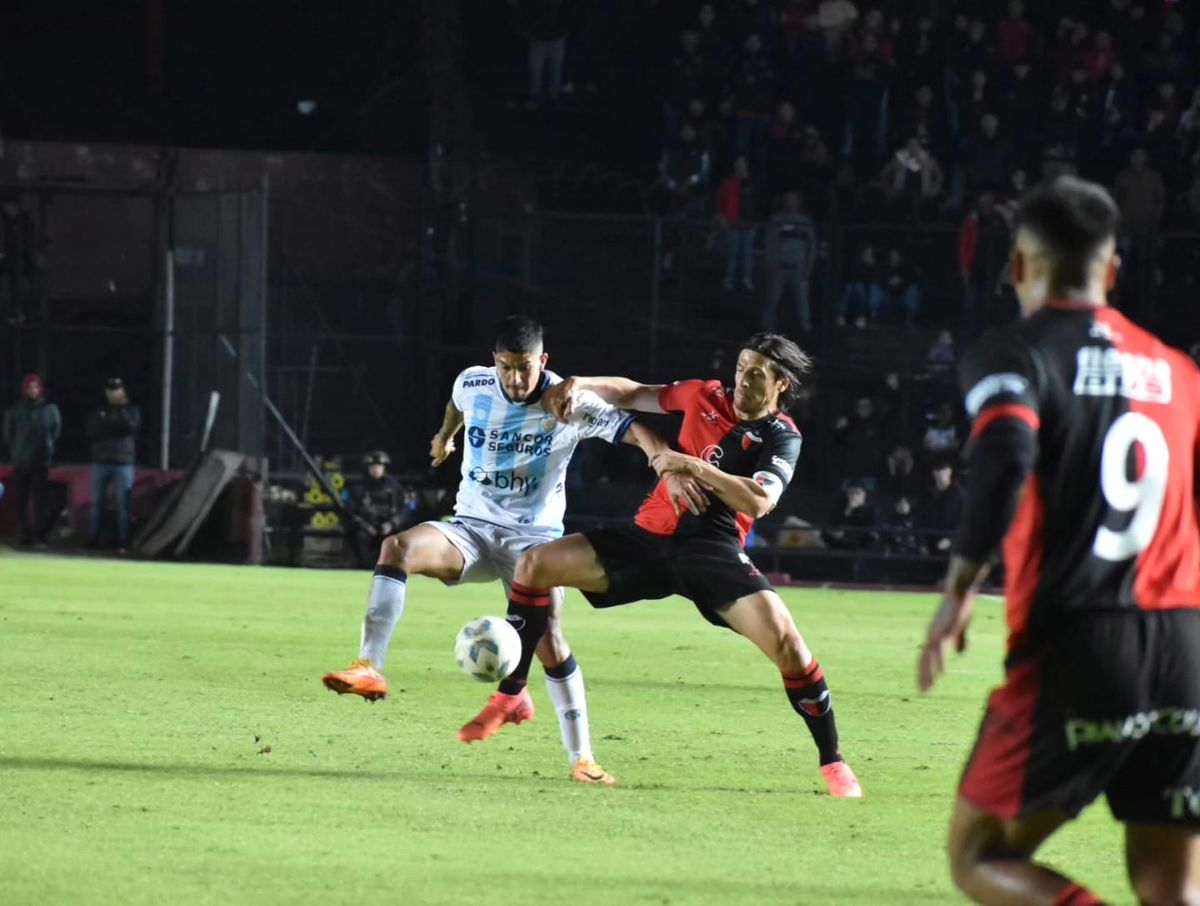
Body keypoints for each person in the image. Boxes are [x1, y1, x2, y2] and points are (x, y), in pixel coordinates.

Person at [917, 176, 1200, 905]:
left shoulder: (1013, 353)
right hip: (1187, 646)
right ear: (1111, 271)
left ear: (1016, 265)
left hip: (1084, 643)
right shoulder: (1180, 371)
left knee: (979, 854)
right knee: (1171, 884)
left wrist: (957, 591)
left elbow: (1007, 453)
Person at [458, 332, 863, 798]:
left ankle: (833, 762)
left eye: (756, 373)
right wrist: (579, 382)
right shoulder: (703, 395)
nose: (741, 379)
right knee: (534, 565)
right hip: (648, 539)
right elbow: (632, 392)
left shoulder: (780, 435)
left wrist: (688, 466)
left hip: (713, 551)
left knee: (790, 646)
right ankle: (512, 693)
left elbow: (759, 498)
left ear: (780, 386)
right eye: (741, 366)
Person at [322, 316, 686, 785]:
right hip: (471, 529)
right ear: (495, 361)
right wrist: (445, 435)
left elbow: (633, 428)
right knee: (397, 548)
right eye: (507, 367)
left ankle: (584, 758)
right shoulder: (473, 381)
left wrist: (661, 459)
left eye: (526, 368)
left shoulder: (567, 402)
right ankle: (370, 667)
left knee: (551, 639)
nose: (516, 379)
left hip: (533, 542)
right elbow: (456, 404)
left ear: (544, 362)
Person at [1, 373, 61, 547]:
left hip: (41, 462)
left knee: (40, 502)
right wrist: (17, 450)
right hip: (20, 462)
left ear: (40, 389)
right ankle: (24, 536)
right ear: (24, 389)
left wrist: (47, 449)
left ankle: (40, 537)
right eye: (29, 387)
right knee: (21, 501)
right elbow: (7, 435)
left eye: (35, 387)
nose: (32, 390)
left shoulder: (50, 409)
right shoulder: (15, 410)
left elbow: (55, 432)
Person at [87, 377, 141, 552]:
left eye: (117, 389)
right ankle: (94, 539)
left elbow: (130, 427)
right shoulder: (99, 411)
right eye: (111, 390)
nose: (114, 393)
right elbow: (93, 431)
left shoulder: (131, 410)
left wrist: (121, 411)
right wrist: (115, 427)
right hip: (100, 461)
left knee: (123, 504)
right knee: (97, 504)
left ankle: (124, 541)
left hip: (123, 462)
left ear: (122, 391)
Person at [350, 450, 418, 568]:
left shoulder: (395, 487)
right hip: (367, 527)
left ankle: (396, 565)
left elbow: (404, 510)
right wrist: (366, 526)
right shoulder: (359, 487)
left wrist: (392, 523)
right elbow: (352, 511)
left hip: (390, 526)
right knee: (358, 536)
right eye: (372, 466)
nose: (375, 469)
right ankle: (364, 566)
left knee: (401, 537)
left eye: (379, 466)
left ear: (384, 467)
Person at [762, 191, 816, 334]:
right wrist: (771, 264)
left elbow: (811, 246)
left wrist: (808, 268)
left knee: (802, 302)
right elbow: (769, 244)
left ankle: (806, 329)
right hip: (778, 267)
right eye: (788, 199)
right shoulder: (776, 220)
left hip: (799, 268)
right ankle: (767, 329)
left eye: (793, 199)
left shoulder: (805, 222)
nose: (790, 202)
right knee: (771, 299)